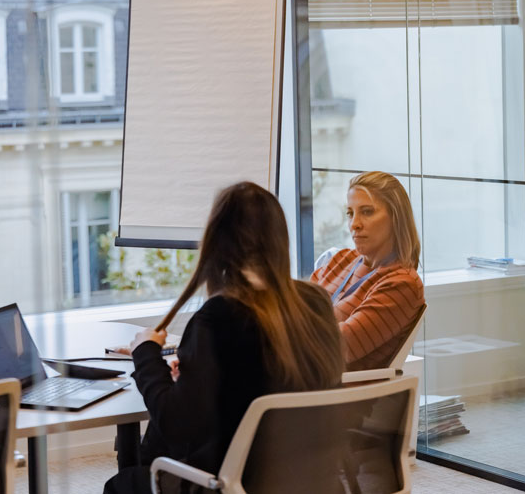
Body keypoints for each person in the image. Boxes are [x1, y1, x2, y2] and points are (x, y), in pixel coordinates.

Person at [104, 182, 344, 494]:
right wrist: (196, 374)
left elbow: (176, 425)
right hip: (310, 480)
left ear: (216, 243)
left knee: (122, 485)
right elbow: (268, 382)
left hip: (237, 483)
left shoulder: (219, 316)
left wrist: (146, 352)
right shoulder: (315, 302)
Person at [312, 171, 425, 371]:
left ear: (395, 218)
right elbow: (292, 309)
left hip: (330, 393)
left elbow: (340, 346)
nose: (354, 224)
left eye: (367, 211)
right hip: (296, 375)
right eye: (350, 213)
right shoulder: (341, 259)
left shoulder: (402, 284)